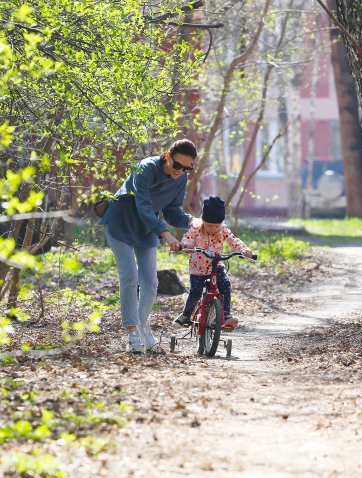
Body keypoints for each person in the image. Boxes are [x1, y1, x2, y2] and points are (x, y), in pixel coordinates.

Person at [101, 139, 197, 353]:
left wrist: (192, 222)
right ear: (168, 156)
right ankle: (132, 330)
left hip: (147, 228)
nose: (181, 171)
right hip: (122, 222)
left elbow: (172, 211)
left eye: (187, 168)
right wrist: (167, 236)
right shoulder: (145, 168)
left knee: (151, 282)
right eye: (177, 165)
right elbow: (143, 207)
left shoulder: (181, 179)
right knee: (130, 277)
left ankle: (143, 323)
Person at [172, 196, 251, 329]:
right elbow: (187, 240)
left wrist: (244, 249)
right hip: (198, 268)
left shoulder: (223, 229)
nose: (213, 229)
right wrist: (185, 246)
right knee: (196, 292)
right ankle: (186, 315)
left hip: (216, 265)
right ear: (203, 220)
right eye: (209, 225)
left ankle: (226, 315)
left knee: (225, 284)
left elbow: (233, 240)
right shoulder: (195, 228)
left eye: (216, 226)